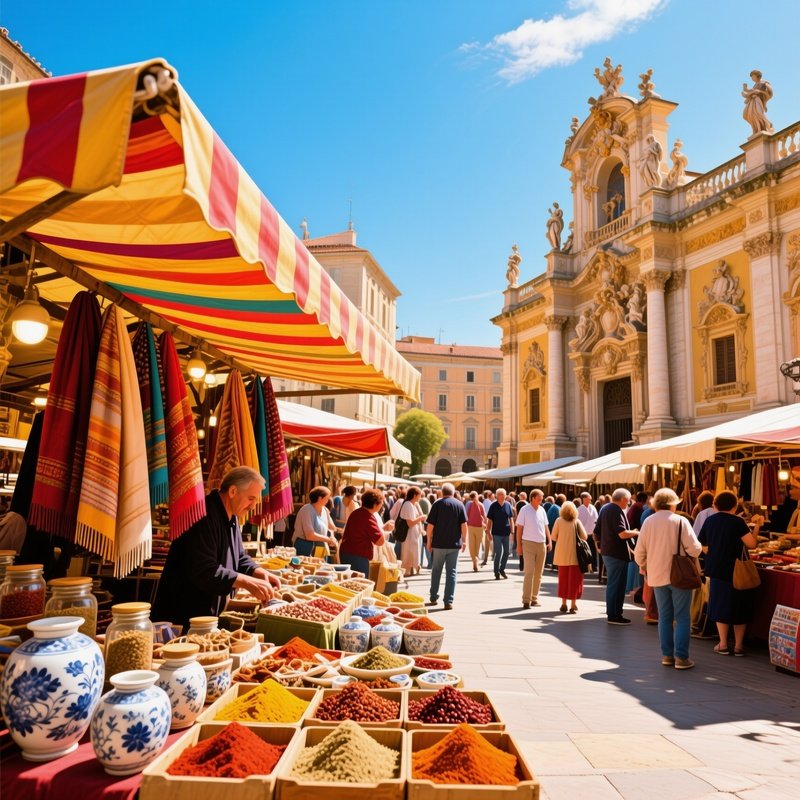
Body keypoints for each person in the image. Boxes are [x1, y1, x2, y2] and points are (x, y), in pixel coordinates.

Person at [152, 466, 281, 630]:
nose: (253, 506)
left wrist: (258, 572)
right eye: (250, 498)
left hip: (203, 617)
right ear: (233, 491)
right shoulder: (204, 515)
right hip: (182, 617)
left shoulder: (231, 516)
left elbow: (239, 556)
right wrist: (247, 582)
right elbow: (204, 569)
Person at [634, 488, 703, 670]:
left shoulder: (648, 521)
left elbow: (639, 552)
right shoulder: (680, 521)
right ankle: (681, 657)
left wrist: (645, 565)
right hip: (679, 575)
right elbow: (695, 549)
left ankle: (667, 656)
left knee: (664, 616)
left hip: (656, 575)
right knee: (682, 617)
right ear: (673, 503)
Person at [698, 491, 763, 657]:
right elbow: (752, 544)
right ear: (735, 506)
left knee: (720, 605)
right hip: (736, 571)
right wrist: (757, 527)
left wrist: (715, 551)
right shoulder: (738, 521)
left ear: (715, 505)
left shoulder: (710, 520)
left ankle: (723, 644)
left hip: (716, 570)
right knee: (739, 607)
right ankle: (739, 646)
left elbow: (703, 546)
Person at [598, 488, 638, 625]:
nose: (628, 503)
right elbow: (622, 534)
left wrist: (600, 546)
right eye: (628, 500)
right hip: (616, 554)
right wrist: (637, 533)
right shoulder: (615, 510)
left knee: (615, 584)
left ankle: (615, 613)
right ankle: (614, 615)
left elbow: (596, 531)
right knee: (616, 585)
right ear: (623, 499)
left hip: (609, 552)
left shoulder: (605, 508)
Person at [425, 482, 467, 610]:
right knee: (451, 572)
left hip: (439, 544)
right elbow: (463, 525)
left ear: (442, 492)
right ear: (453, 493)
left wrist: (428, 541)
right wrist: (464, 541)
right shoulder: (459, 505)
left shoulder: (437, 504)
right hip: (454, 545)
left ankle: (433, 596)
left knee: (436, 570)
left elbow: (430, 526)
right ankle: (448, 600)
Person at [551, 501, 588, 614]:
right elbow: (585, 537)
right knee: (575, 581)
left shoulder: (558, 521)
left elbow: (553, 537)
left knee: (563, 580)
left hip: (562, 556)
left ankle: (563, 604)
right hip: (575, 557)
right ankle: (573, 605)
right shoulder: (576, 521)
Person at [515, 489, 551, 609]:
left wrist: (549, 541)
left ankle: (534, 598)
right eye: (540, 497)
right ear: (533, 498)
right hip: (528, 543)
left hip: (541, 544)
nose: (542, 499)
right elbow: (519, 529)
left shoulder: (542, 510)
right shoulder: (524, 510)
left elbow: (546, 527)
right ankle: (526, 599)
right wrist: (519, 546)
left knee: (539, 573)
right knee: (529, 572)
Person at [340, 488, 387, 577]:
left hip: (346, 553)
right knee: (359, 585)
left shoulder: (356, 513)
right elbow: (380, 541)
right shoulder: (368, 517)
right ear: (375, 504)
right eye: (381, 503)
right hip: (358, 556)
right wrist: (382, 528)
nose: (382, 505)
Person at [292, 486, 340, 558]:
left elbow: (331, 527)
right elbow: (309, 535)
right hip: (305, 548)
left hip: (320, 547)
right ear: (320, 498)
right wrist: (328, 540)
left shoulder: (325, 510)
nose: (329, 500)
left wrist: (333, 536)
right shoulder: (307, 510)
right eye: (327, 497)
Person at [486, 488, 514, 580]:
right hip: (496, 533)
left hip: (506, 533)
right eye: (500, 494)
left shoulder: (508, 505)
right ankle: (496, 572)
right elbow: (489, 520)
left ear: (505, 496)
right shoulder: (493, 506)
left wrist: (512, 531)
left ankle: (502, 569)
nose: (502, 496)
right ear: (497, 495)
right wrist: (488, 531)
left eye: (503, 494)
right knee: (498, 553)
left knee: (506, 552)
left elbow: (511, 519)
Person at [399, 486, 427, 576]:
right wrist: (421, 518)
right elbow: (410, 523)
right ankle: (407, 570)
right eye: (419, 495)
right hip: (409, 534)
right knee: (409, 552)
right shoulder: (408, 505)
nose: (420, 498)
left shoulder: (412, 504)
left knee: (413, 551)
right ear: (415, 495)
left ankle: (413, 568)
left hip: (413, 534)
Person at [742, 70, 773, 136]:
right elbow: (749, 91)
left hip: (757, 100)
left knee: (759, 113)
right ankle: (756, 129)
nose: (752, 78)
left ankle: (768, 124)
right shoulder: (755, 85)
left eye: (753, 76)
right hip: (752, 101)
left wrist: (764, 103)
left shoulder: (764, 83)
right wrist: (745, 89)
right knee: (747, 115)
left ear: (757, 75)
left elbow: (769, 93)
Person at [465, 490, 487, 572]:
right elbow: (485, 517)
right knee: (477, 547)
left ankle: (474, 561)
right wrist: (486, 526)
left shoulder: (469, 504)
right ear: (477, 496)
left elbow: (466, 515)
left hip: (471, 527)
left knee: (472, 547)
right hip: (479, 527)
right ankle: (475, 561)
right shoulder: (480, 505)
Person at [576, 492, 599, 572]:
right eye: (588, 499)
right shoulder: (579, 509)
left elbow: (596, 519)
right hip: (583, 534)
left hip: (592, 533)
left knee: (593, 550)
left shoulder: (593, 507)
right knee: (585, 551)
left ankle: (594, 566)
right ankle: (585, 567)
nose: (590, 500)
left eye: (590, 499)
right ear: (584, 499)